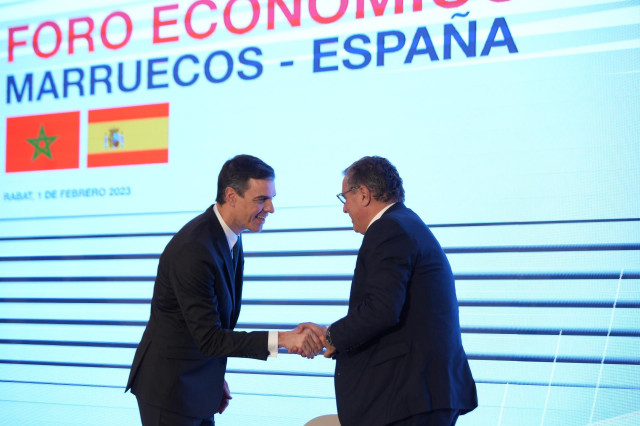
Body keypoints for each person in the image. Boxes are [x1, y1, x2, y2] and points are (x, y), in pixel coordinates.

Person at [125, 154, 322, 425]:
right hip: (170, 391)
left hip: (198, 384)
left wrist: (212, 379)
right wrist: (285, 339)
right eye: (261, 199)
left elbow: (209, 328)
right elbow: (211, 338)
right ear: (231, 196)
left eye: (272, 198)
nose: (271, 208)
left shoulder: (229, 236)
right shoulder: (195, 249)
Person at [301, 156, 477, 426]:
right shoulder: (406, 224)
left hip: (411, 399)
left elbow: (381, 309)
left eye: (344, 197)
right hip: (420, 396)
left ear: (363, 194)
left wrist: (331, 336)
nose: (344, 209)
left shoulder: (388, 229)